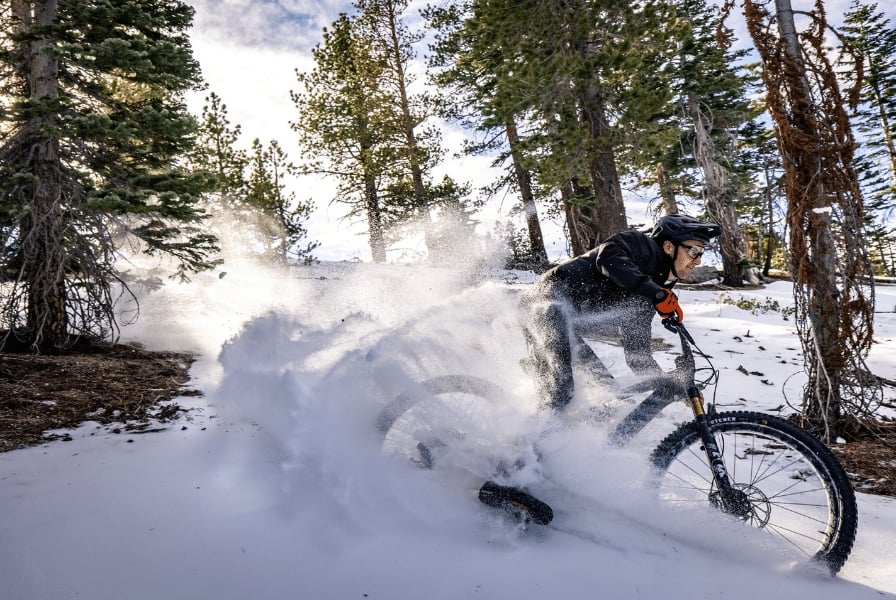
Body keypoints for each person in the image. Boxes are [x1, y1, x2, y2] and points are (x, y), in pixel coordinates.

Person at [523, 214, 722, 411]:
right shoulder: (639, 245)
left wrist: (671, 386)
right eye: (694, 251)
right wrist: (657, 295)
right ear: (669, 246)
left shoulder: (648, 291)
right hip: (545, 304)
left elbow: (638, 355)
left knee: (609, 395)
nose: (698, 261)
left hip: (567, 326)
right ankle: (533, 436)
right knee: (561, 391)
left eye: (701, 253)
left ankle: (571, 436)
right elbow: (607, 258)